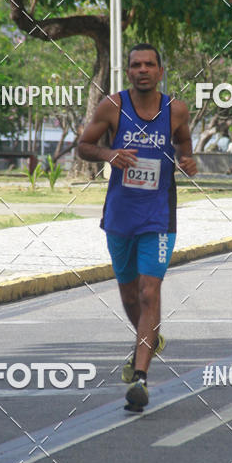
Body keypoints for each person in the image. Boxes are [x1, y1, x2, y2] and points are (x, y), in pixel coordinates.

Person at [78, 44, 197, 410]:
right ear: (127, 72)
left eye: (149, 64)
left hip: (159, 216)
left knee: (149, 293)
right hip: (120, 215)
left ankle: (140, 378)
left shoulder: (175, 109)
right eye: (135, 65)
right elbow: (83, 145)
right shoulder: (112, 107)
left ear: (161, 71)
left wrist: (187, 158)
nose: (142, 70)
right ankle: (149, 340)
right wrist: (108, 154)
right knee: (130, 295)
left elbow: (184, 141)